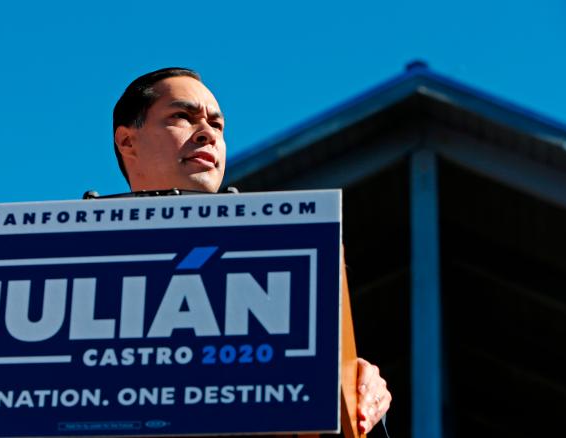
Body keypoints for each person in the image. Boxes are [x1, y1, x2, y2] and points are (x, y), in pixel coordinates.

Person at [112, 67, 391, 435]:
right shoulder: (58, 257)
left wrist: (353, 381)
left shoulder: (281, 257)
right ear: (128, 141)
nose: (207, 133)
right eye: (182, 116)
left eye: (217, 124)